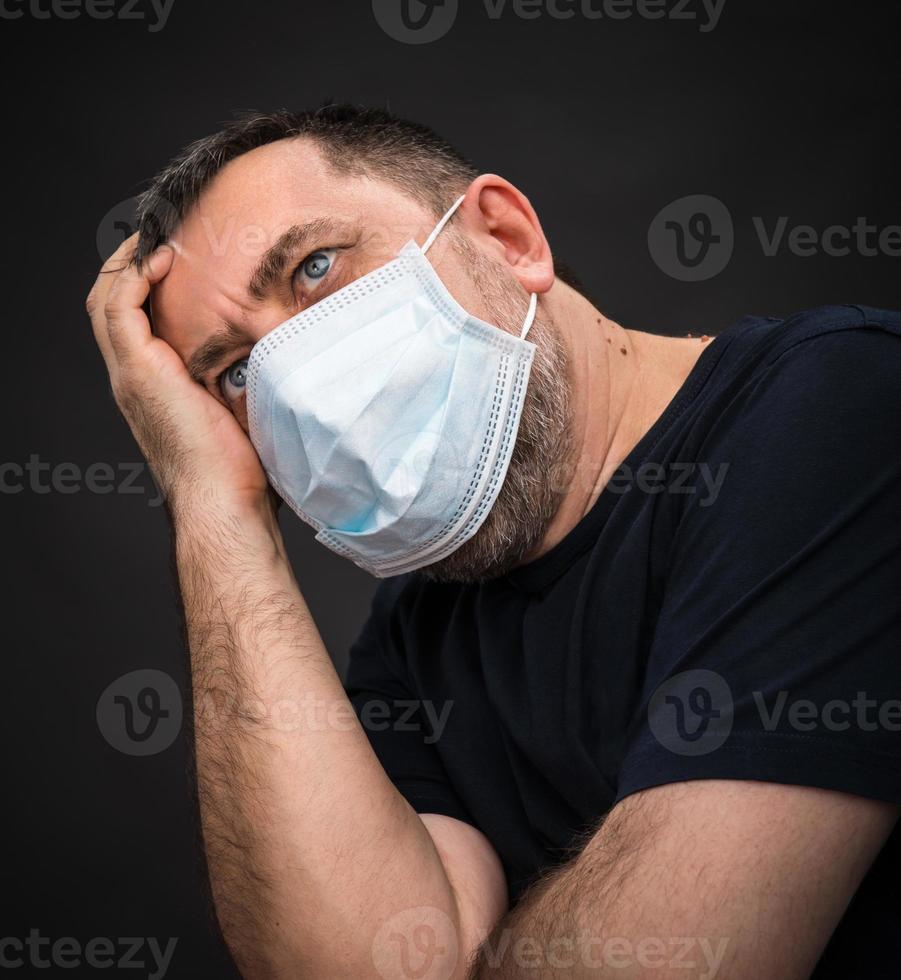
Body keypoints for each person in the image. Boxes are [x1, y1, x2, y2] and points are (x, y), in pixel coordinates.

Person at [87, 105, 901, 980]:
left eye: (314, 267)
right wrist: (215, 507)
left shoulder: (843, 405)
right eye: (236, 372)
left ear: (507, 238)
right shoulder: (412, 635)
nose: (299, 382)